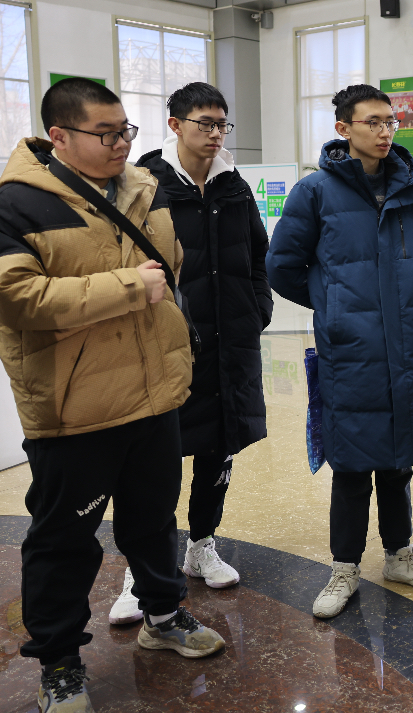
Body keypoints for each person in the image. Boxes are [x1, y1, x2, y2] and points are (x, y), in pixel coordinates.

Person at [0, 77, 225, 713]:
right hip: (74, 409)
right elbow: (13, 300)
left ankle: (163, 616)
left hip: (153, 396)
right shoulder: (13, 208)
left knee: (153, 520)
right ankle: (59, 662)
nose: (121, 144)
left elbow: (171, 268)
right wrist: (128, 288)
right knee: (64, 543)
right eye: (105, 134)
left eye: (125, 131)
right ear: (58, 136)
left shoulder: (143, 189)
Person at [267, 84, 413, 619]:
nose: (385, 131)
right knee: (350, 465)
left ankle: (399, 555)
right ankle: (344, 567)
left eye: (390, 122)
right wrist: (335, 306)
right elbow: (281, 266)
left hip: (408, 346)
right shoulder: (314, 192)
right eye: (373, 122)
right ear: (343, 129)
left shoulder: (411, 188)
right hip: (350, 351)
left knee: (398, 461)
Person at [102, 83, 272, 625]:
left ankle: (202, 545)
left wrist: (258, 308)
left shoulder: (234, 185)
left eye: (222, 124)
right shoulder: (144, 186)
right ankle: (142, 571)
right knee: (153, 461)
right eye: (205, 123)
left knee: (218, 448)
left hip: (231, 342)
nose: (216, 134)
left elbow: (258, 254)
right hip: (169, 347)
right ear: (175, 124)